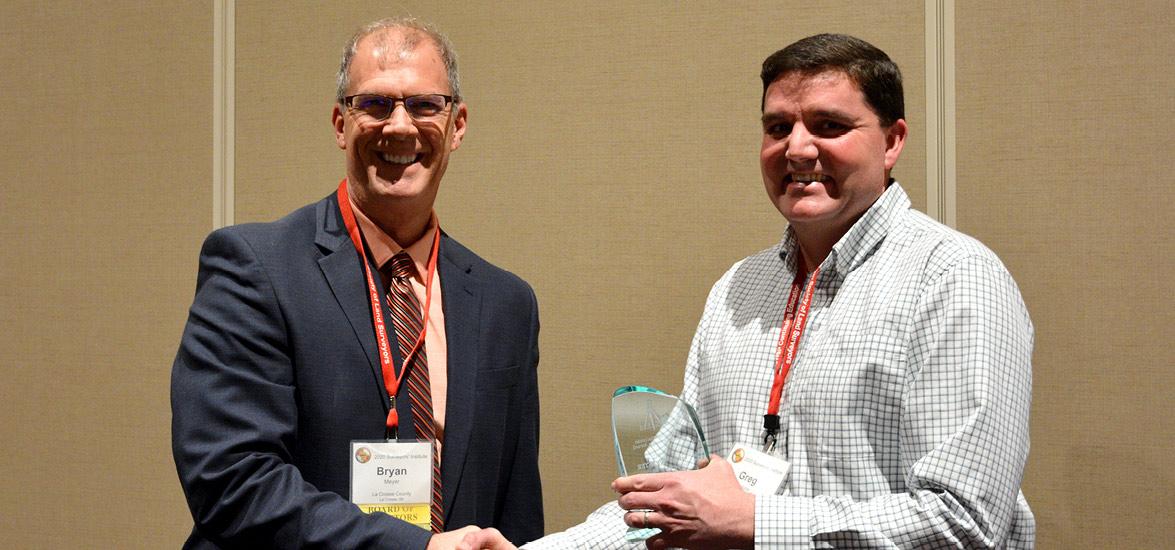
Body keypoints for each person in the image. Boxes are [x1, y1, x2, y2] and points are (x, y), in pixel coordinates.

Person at [460, 33, 1034, 549]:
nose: (798, 149)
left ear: (892, 142)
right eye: (779, 127)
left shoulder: (955, 278)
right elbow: (672, 500)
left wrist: (757, 522)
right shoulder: (739, 289)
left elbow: (964, 522)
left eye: (829, 126)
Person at [172, 17, 542, 549]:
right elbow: (230, 480)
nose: (399, 126)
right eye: (373, 104)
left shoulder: (506, 304)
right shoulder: (255, 269)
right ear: (340, 124)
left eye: (423, 105)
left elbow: (516, 510)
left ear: (457, 125)